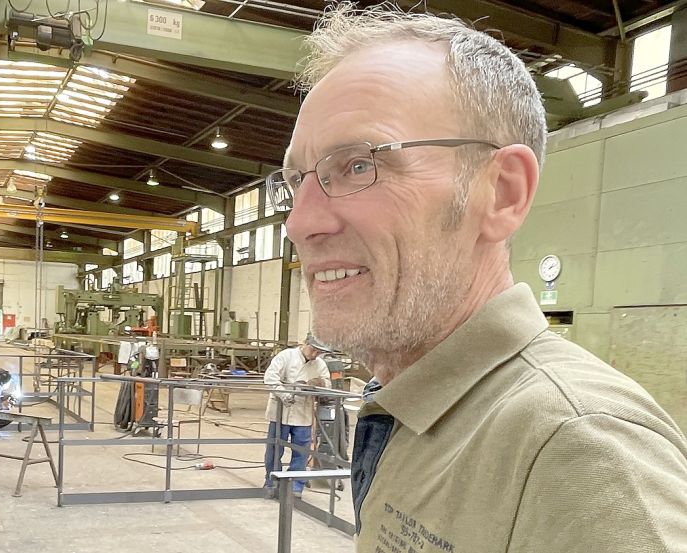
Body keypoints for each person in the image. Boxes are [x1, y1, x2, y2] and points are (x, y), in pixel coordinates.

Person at [270, 4, 687, 551]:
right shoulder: (411, 405)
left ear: (502, 193)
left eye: (358, 165)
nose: (300, 223)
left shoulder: (577, 448)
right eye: (298, 180)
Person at [263, 334, 333, 499]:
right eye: (313, 350)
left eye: (319, 352)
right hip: (280, 411)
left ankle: (295, 485)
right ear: (305, 343)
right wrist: (286, 394)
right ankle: (272, 482)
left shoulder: (320, 364)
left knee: (301, 451)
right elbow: (270, 377)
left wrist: (320, 384)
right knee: (274, 449)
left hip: (303, 413)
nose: (315, 354)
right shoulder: (286, 356)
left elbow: (328, 383)